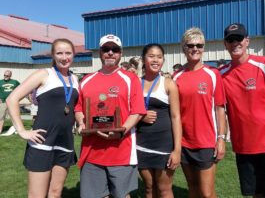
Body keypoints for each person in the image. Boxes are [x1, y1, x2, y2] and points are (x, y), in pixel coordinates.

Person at [220, 23, 265, 198]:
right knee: (256, 194)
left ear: (247, 41)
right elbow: (217, 108)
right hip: (244, 148)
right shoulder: (221, 74)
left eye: (239, 38)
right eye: (230, 39)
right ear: (225, 44)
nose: (235, 43)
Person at [75, 34, 146, 198]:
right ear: (100, 52)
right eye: (106, 49)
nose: (110, 53)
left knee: (122, 195)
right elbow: (78, 107)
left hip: (121, 150)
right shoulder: (86, 79)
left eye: (115, 49)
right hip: (92, 150)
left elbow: (138, 111)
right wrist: (81, 122)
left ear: (120, 53)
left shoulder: (131, 79)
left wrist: (121, 131)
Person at [6, 38, 79, 197]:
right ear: (53, 55)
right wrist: (21, 130)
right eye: (59, 53)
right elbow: (12, 99)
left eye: (68, 53)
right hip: (42, 141)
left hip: (65, 141)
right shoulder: (44, 74)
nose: (64, 57)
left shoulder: (75, 79)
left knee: (55, 193)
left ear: (73, 55)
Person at [173, 27, 226, 198]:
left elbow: (219, 108)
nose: (195, 48)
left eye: (199, 45)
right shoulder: (176, 76)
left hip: (205, 142)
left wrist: (221, 139)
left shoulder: (213, 74)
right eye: (190, 45)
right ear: (184, 48)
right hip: (184, 142)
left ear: (203, 47)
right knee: (193, 188)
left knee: (207, 193)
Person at [136, 43, 182, 197]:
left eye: (159, 57)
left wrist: (177, 150)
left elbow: (176, 117)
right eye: (151, 56)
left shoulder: (169, 84)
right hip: (140, 144)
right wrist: (141, 116)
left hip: (164, 145)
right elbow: (128, 113)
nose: (155, 60)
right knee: (149, 188)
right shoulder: (135, 83)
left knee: (164, 189)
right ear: (143, 59)